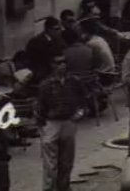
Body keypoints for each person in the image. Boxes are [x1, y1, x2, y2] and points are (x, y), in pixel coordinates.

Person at [35, 53, 86, 191]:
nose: (62, 65)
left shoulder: (74, 81)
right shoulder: (45, 85)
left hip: (68, 121)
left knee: (67, 161)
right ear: (52, 65)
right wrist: (42, 127)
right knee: (50, 164)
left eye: (63, 62)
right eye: (58, 63)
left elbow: (83, 98)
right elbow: (40, 108)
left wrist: (80, 112)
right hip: (51, 123)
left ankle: (64, 187)